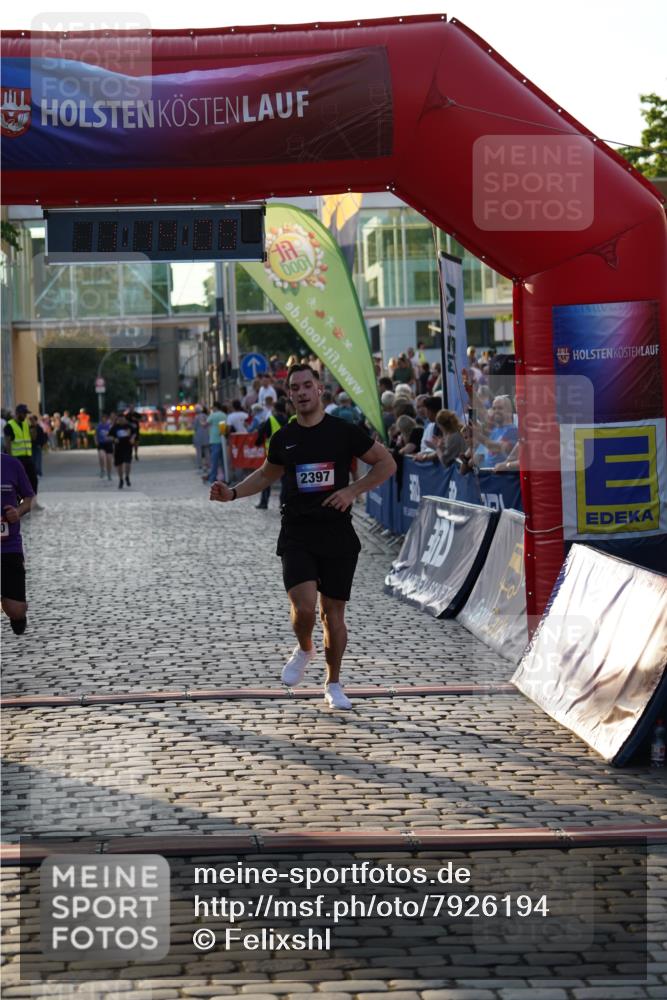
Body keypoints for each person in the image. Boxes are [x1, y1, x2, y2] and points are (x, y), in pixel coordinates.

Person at [210, 363, 395, 709]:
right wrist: (232, 493)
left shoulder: (343, 431)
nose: (302, 392)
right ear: (289, 394)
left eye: (307, 385)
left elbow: (386, 463)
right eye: (295, 388)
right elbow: (266, 476)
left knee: (334, 614)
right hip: (296, 531)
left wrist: (353, 491)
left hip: (337, 532)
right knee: (305, 607)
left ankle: (333, 682)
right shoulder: (284, 438)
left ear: (320, 389)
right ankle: (305, 647)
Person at [1, 452, 35, 635]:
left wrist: (18, 511)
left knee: (16, 610)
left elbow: (29, 499)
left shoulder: (11, 464)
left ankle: (11, 607)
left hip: (8, 546)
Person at [254, 397, 289, 509]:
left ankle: (264, 502)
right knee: (285, 480)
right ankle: (283, 502)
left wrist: (258, 442)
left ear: (275, 409)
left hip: (272, 455)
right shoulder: (289, 419)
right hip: (287, 454)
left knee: (267, 478)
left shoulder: (271, 420)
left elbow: (261, 433)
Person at [4, 404, 39, 499]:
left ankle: (33, 502)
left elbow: (33, 438)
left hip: (27, 457)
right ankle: (20, 502)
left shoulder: (26, 424)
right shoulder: (9, 426)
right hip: (17, 459)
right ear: (18, 413)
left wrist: (34, 426)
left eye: (26, 414)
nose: (25, 416)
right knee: (18, 482)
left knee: (33, 480)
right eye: (24, 413)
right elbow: (8, 444)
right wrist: (10, 460)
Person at [108, 412, 135, 488]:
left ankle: (127, 476)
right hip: (118, 448)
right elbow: (109, 436)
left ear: (125, 419)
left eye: (122, 419)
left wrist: (132, 438)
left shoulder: (129, 426)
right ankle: (121, 479)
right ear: (118, 420)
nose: (121, 421)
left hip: (127, 447)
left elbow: (134, 433)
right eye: (119, 420)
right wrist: (114, 439)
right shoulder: (115, 427)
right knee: (119, 465)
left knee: (127, 463)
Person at [205, 401, 226, 485]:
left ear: (215, 407)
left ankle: (212, 478)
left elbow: (205, 424)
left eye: (212, 408)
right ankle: (224, 477)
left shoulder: (213, 415)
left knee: (214, 461)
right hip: (222, 440)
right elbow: (224, 427)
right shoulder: (224, 415)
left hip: (214, 440)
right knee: (223, 461)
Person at [95, 412, 114, 480]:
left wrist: (111, 438)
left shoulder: (110, 426)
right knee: (101, 456)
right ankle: (102, 470)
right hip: (101, 444)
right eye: (102, 419)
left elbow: (113, 436)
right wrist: (96, 441)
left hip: (109, 444)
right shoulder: (98, 426)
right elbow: (95, 435)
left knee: (109, 459)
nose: (104, 420)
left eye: (105, 419)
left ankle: (109, 473)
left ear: (107, 419)